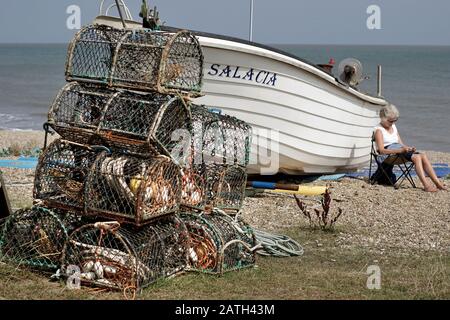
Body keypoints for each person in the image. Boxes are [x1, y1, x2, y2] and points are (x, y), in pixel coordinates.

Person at [374, 104, 447, 192]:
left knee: (422, 155)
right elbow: (381, 151)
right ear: (382, 118)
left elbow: (400, 143)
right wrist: (400, 150)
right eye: (390, 121)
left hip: (399, 151)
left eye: (394, 121)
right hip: (388, 156)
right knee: (416, 157)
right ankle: (426, 185)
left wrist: (408, 148)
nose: (392, 123)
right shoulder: (379, 130)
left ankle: (437, 183)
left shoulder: (393, 126)